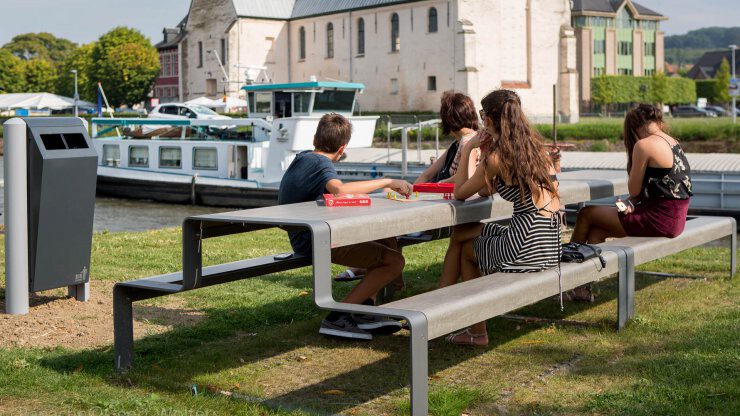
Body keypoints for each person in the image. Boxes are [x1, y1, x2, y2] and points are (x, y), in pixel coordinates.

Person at [438, 89, 561, 346]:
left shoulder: (497, 157)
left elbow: (461, 192)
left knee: (466, 252)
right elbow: (486, 189)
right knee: (461, 233)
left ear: (491, 121)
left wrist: (471, 147)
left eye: (483, 115)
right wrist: (484, 162)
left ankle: (474, 330)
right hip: (549, 241)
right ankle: (440, 306)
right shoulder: (536, 150)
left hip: (524, 244)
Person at [278, 113, 414, 340]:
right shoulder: (321, 163)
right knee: (394, 261)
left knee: (384, 240)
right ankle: (338, 317)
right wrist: (388, 182)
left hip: (306, 235)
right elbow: (340, 190)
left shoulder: (303, 158)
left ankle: (364, 312)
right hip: (314, 240)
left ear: (314, 139)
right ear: (342, 149)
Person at [569, 104, 692, 300]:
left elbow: (633, 189)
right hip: (674, 219)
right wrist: (632, 202)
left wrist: (632, 194)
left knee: (586, 214)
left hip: (659, 220)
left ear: (634, 128)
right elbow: (658, 188)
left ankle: (567, 275)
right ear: (657, 122)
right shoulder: (673, 142)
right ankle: (581, 289)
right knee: (597, 231)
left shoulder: (644, 145)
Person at [415, 91, 481, 184]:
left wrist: (439, 184)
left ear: (447, 119)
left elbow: (467, 176)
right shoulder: (458, 142)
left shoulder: (467, 141)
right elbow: (428, 175)